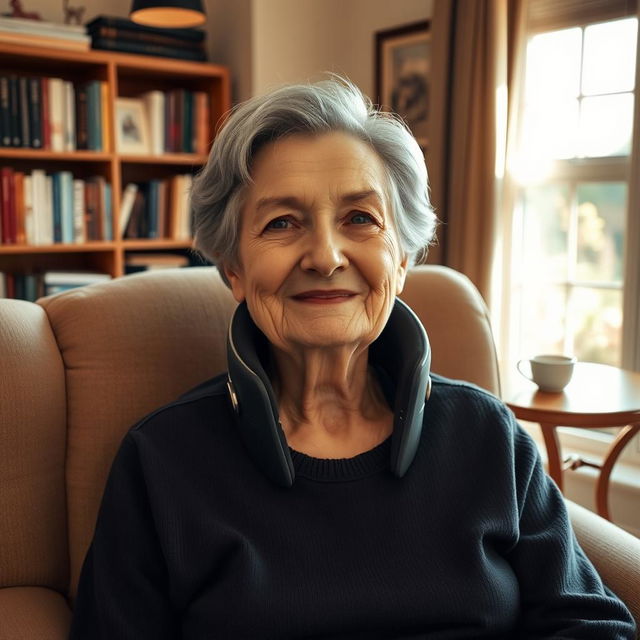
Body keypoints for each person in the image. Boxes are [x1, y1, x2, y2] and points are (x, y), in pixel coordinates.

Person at [69, 77, 636, 639]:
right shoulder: (161, 461)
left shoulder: (487, 436)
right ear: (234, 270)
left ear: (403, 258)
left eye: (360, 218)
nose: (325, 255)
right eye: (282, 223)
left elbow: (589, 622)